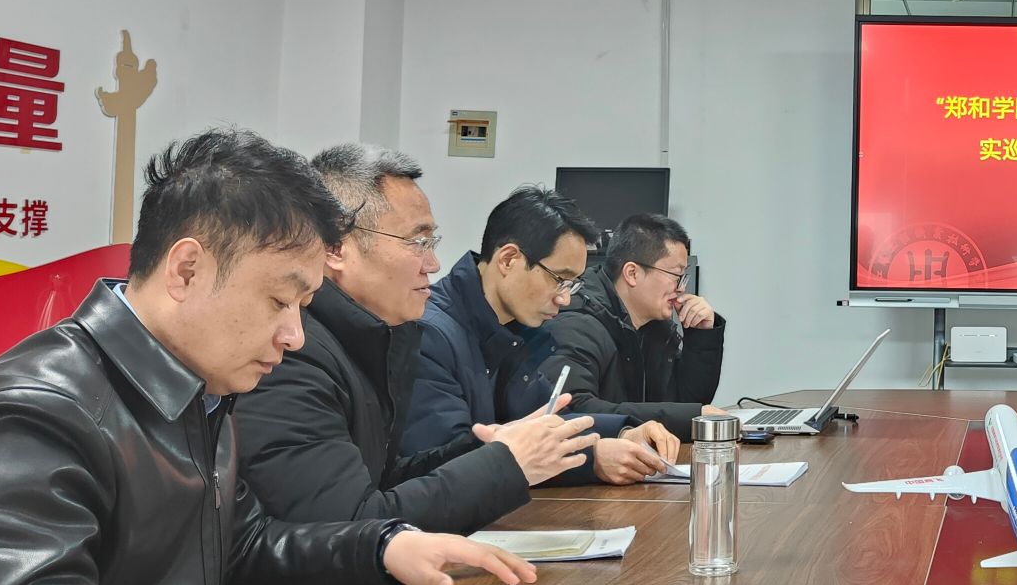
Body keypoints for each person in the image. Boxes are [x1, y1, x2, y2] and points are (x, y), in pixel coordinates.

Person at [0, 129, 538, 585]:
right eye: (279, 301)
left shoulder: (200, 390)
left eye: (303, 306)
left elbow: (243, 551)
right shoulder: (32, 416)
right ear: (186, 270)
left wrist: (382, 545)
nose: (295, 336)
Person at [237, 144, 600, 534]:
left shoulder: (376, 338)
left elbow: (385, 481)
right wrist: (505, 464)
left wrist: (491, 450)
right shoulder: (295, 354)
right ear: (337, 248)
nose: (433, 263)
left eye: (432, 242)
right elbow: (347, 528)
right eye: (417, 242)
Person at [403, 186, 672, 483]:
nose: (564, 298)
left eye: (573, 284)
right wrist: (592, 458)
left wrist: (622, 431)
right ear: (508, 260)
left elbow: (547, 420)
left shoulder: (517, 331)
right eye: (560, 280)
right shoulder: (429, 335)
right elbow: (448, 464)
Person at [545, 213, 725, 442]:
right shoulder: (577, 323)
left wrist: (701, 335)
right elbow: (574, 409)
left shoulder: (654, 327)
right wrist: (688, 417)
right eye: (675, 275)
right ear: (632, 273)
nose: (681, 288)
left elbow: (687, 402)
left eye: (683, 278)